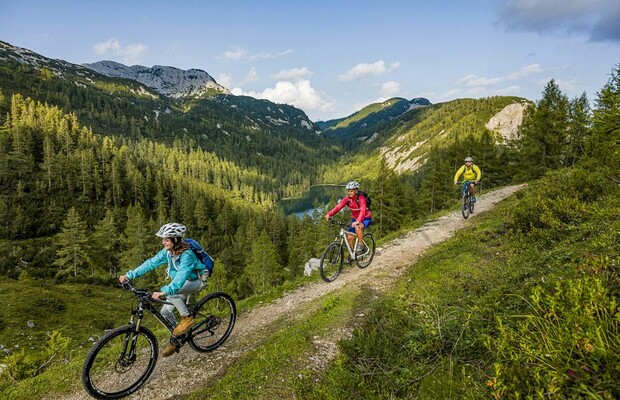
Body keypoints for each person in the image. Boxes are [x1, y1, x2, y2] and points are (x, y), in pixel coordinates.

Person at [119, 222, 204, 357]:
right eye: (163, 239)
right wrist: (130, 275)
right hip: (180, 283)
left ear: (176, 239)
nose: (163, 242)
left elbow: (181, 277)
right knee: (165, 312)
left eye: (166, 239)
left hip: (194, 281)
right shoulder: (168, 252)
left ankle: (187, 319)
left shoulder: (187, 255)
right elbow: (150, 263)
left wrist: (165, 291)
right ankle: (178, 338)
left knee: (172, 292)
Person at [324, 181, 372, 255]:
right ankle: (353, 255)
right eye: (348, 191)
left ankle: (361, 244)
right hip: (355, 219)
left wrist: (358, 221)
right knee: (349, 238)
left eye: (351, 191)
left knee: (358, 227)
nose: (349, 193)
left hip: (365, 218)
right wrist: (329, 214)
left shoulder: (361, 199)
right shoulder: (347, 199)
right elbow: (338, 207)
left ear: (356, 191)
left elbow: (362, 210)